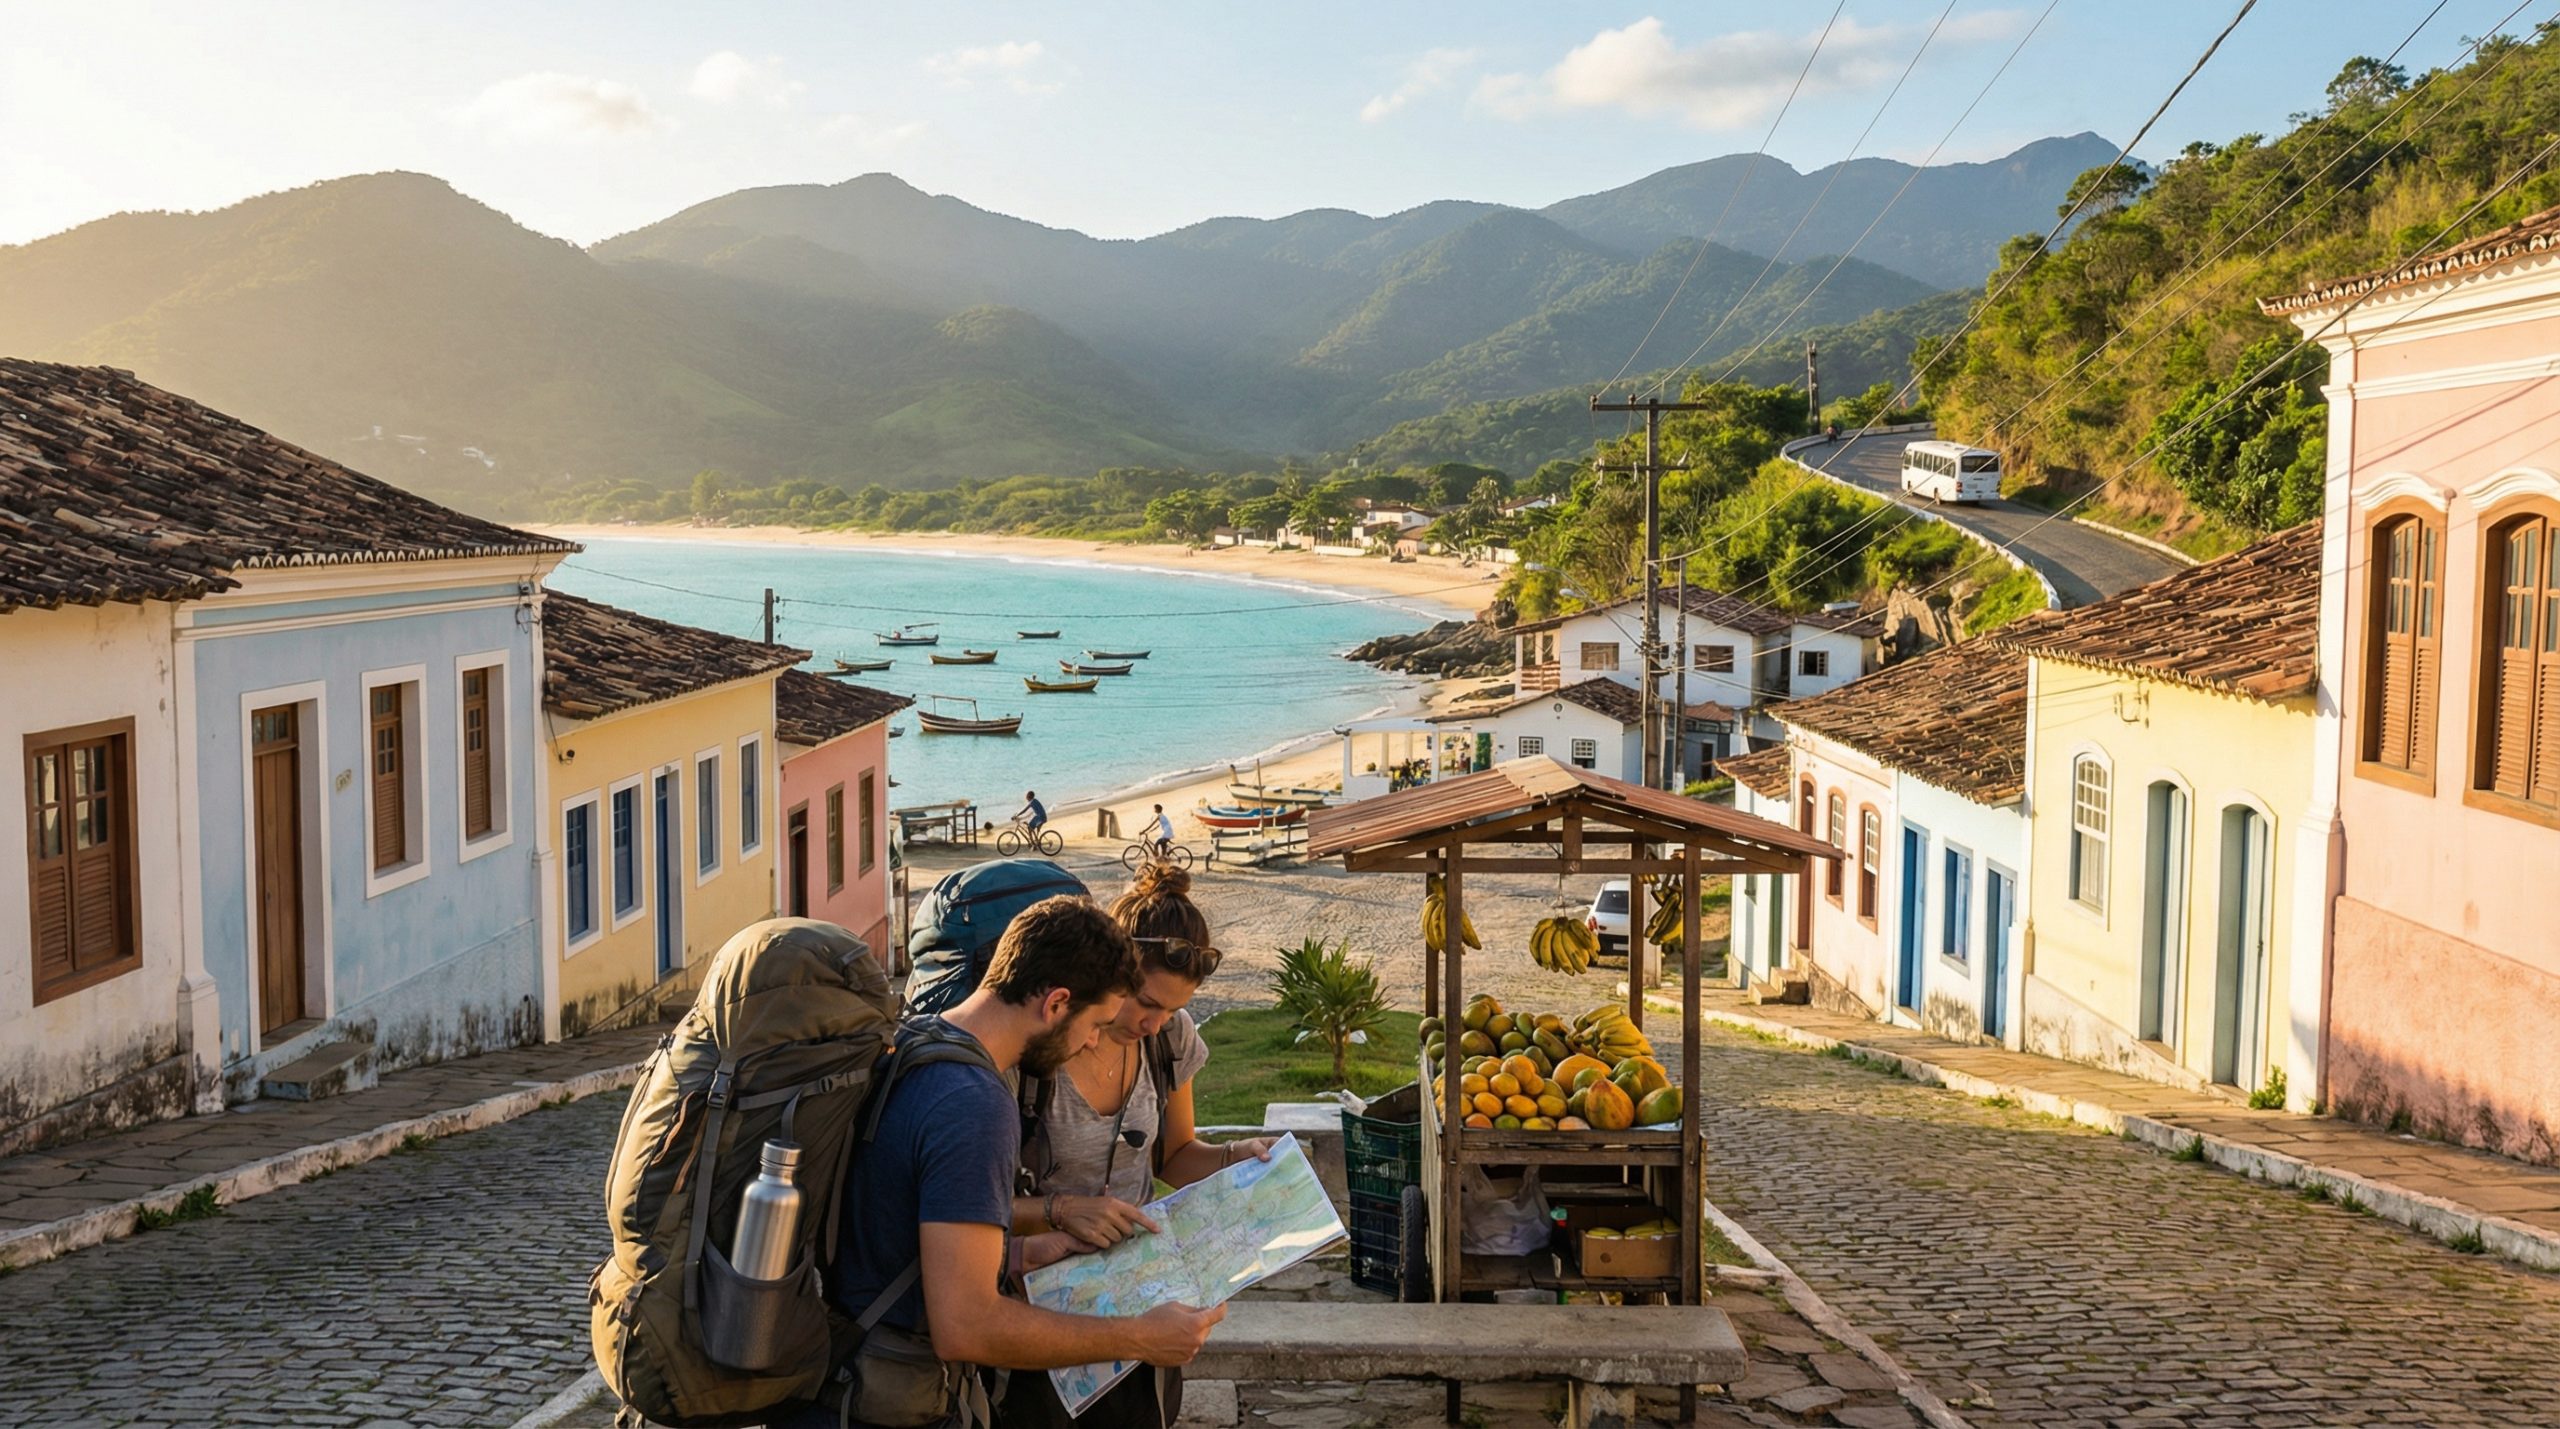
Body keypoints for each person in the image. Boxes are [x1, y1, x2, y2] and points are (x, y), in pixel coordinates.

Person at [786, 896, 1223, 1429]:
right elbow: (967, 1327)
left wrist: (1017, 1254)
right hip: (884, 1398)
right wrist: (1140, 1337)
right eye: (1096, 1023)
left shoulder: (919, 1042)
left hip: (842, 1376)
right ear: (1056, 1003)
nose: (1093, 1041)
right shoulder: (976, 1105)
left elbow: (898, 1229)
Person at [999, 864, 1271, 1429]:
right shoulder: (1040, 1046)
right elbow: (974, 1203)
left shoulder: (1170, 1038)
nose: (1156, 1023)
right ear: (1113, 970)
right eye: (1146, 1002)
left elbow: (1176, 1155)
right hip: (1037, 1306)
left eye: (1173, 1009)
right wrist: (1061, 1211)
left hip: (1142, 1298)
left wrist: (1234, 1158)